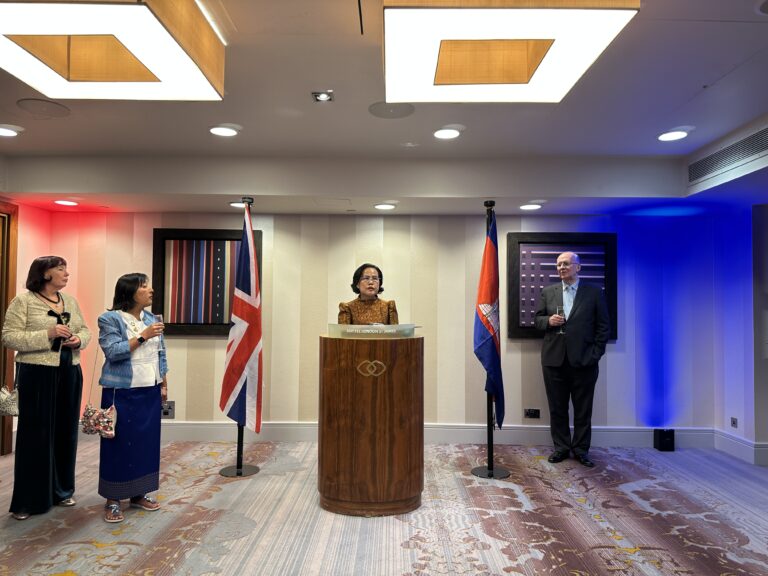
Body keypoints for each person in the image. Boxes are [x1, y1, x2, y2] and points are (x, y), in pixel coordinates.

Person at [1, 256, 91, 520]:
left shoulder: (70, 301)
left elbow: (85, 330)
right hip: (37, 373)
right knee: (35, 435)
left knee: (65, 432)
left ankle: (62, 490)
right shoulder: (24, 301)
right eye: (61, 268)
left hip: (69, 370)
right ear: (45, 273)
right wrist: (48, 335)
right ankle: (29, 500)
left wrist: (78, 340)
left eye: (66, 267)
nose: (66, 273)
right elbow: (9, 336)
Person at [97, 273, 167, 523]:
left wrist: (164, 382)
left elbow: (161, 352)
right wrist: (143, 335)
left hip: (150, 388)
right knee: (118, 444)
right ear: (129, 291)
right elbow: (114, 352)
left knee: (146, 443)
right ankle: (113, 499)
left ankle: (139, 493)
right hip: (122, 392)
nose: (151, 290)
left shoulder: (150, 317)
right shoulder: (110, 319)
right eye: (144, 286)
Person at [534, 251, 610, 468]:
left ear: (578, 267)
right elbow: (537, 320)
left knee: (583, 409)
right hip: (553, 360)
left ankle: (581, 450)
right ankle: (561, 448)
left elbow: (603, 327)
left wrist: (595, 355)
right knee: (557, 408)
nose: (561, 268)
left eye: (566, 264)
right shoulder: (548, 292)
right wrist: (548, 320)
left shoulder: (594, 293)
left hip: (584, 362)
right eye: (558, 264)